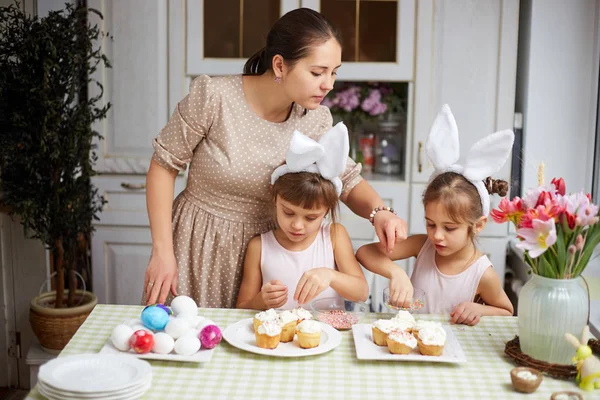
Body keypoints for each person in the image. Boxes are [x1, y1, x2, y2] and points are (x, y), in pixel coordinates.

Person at [144, 8, 407, 307]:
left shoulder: (314, 119)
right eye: (318, 72)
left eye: (334, 72)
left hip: (272, 254)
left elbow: (345, 178)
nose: (329, 84)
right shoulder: (214, 96)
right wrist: (163, 251)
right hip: (200, 246)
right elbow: (163, 166)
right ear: (280, 65)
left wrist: (379, 212)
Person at [356, 105, 515, 325]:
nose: (437, 236)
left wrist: (478, 309)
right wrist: (396, 273)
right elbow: (364, 252)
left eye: (449, 228)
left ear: (477, 225)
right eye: (431, 224)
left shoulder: (482, 273)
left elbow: (507, 311)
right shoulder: (422, 246)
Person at [236, 123, 369, 310]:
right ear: (275, 199)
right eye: (288, 213)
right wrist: (261, 301)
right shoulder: (259, 247)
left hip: (326, 335)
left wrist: (330, 275)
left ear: (326, 211)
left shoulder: (333, 236)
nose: (297, 225)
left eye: (311, 218)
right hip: (279, 337)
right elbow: (242, 307)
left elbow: (361, 293)